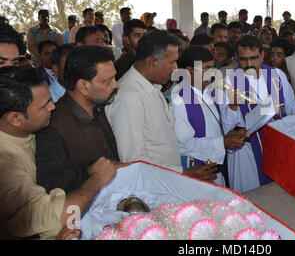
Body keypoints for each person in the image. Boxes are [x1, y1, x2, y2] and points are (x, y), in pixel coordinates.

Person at [0, 66, 119, 240]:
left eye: (50, 100)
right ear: (15, 119)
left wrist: (89, 169)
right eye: (44, 106)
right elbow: (60, 218)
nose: (52, 107)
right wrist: (97, 180)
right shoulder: (5, 164)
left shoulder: (27, 132)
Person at [106, 30, 218, 182]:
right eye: (172, 62)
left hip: (166, 180)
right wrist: (184, 172)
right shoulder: (130, 96)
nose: (176, 68)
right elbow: (134, 160)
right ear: (153, 62)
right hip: (153, 186)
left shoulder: (151, 87)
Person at [222, 34, 295, 193]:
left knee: (277, 195)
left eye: (254, 58)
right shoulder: (230, 82)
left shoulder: (277, 75)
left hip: (277, 144)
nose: (249, 64)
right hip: (247, 150)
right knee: (252, 198)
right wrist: (233, 106)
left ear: (262, 55)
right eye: (243, 59)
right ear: (236, 58)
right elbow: (226, 125)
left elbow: (290, 104)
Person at [35, 46, 121, 194]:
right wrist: (91, 170)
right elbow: (50, 183)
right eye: (107, 82)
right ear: (83, 86)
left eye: (114, 77)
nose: (116, 85)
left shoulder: (98, 107)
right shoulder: (52, 126)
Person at [171, 47, 247, 187]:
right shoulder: (179, 100)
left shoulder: (209, 92)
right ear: (189, 71)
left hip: (214, 168)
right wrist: (222, 142)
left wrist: (231, 133)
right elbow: (183, 144)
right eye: (206, 69)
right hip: (196, 172)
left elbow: (218, 125)